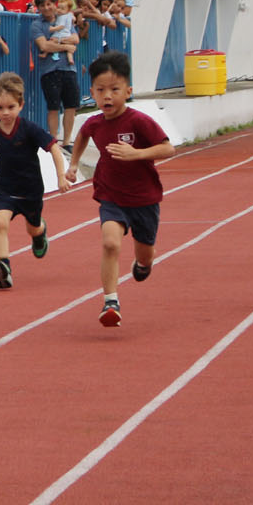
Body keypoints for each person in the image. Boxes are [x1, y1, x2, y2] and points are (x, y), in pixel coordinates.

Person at [66, 51, 174, 327]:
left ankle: (143, 265)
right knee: (110, 242)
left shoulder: (138, 121)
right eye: (100, 90)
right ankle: (110, 300)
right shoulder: (95, 123)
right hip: (111, 195)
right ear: (92, 92)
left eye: (114, 90)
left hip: (144, 198)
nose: (107, 97)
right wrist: (74, 164)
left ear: (128, 91)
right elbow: (82, 136)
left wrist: (136, 154)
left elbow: (167, 148)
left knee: (145, 254)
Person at [0, 71, 70, 289]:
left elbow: (54, 149)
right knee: (0, 223)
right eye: (0, 108)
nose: (5, 113)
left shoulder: (29, 129)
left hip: (31, 190)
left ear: (21, 105)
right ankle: (3, 266)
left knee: (33, 228)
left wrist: (60, 176)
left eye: (11, 107)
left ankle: (40, 233)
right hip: (5, 189)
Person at [29, 0, 81, 148]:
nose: (46, 8)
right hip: (49, 70)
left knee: (71, 106)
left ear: (54, 4)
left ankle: (67, 141)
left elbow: (75, 39)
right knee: (53, 107)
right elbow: (44, 45)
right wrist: (65, 47)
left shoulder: (65, 19)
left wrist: (59, 44)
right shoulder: (37, 25)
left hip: (69, 69)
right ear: (38, 7)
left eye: (49, 4)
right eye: (42, 5)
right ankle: (53, 140)